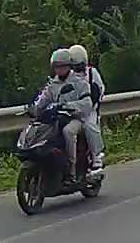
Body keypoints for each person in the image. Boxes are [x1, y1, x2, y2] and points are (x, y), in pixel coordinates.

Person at [32, 48, 94, 183]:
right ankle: (51, 167)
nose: (59, 70)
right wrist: (34, 109)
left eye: (62, 66)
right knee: (44, 132)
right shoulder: (53, 84)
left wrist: (68, 106)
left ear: (68, 66)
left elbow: (87, 103)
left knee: (68, 132)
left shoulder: (79, 82)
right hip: (57, 119)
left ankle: (71, 171)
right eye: (56, 67)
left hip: (75, 119)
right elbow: (43, 100)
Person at [66, 44, 105, 174]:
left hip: (89, 110)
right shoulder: (67, 76)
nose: (76, 69)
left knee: (90, 127)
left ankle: (96, 157)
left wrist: (92, 103)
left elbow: (100, 89)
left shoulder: (92, 73)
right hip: (71, 110)